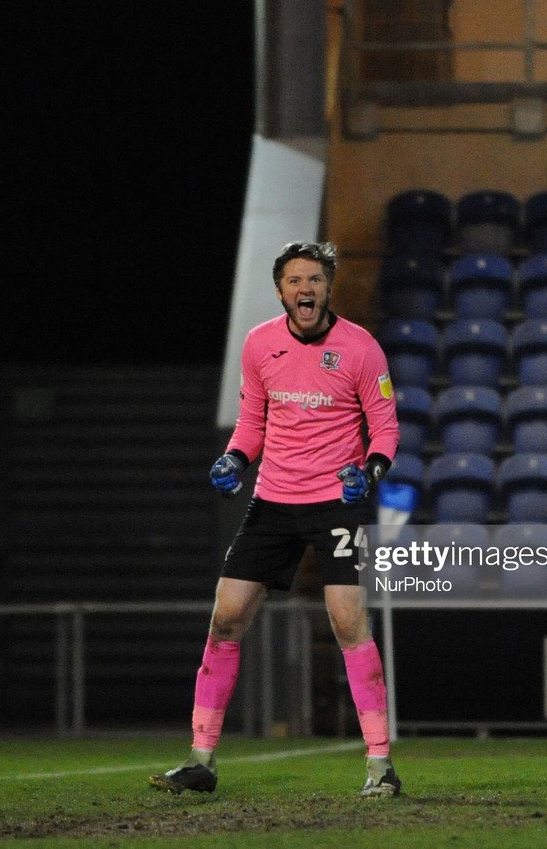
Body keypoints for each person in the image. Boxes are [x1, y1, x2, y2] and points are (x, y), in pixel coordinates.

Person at [148, 241, 402, 798]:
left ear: (328, 286)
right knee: (226, 619)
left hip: (339, 499)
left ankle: (380, 765)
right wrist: (233, 459)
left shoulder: (361, 348)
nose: (305, 289)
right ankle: (201, 761)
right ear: (281, 290)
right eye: (295, 280)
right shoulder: (260, 343)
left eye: (314, 279)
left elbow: (385, 428)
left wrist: (372, 472)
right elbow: (252, 424)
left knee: (346, 623)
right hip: (274, 500)